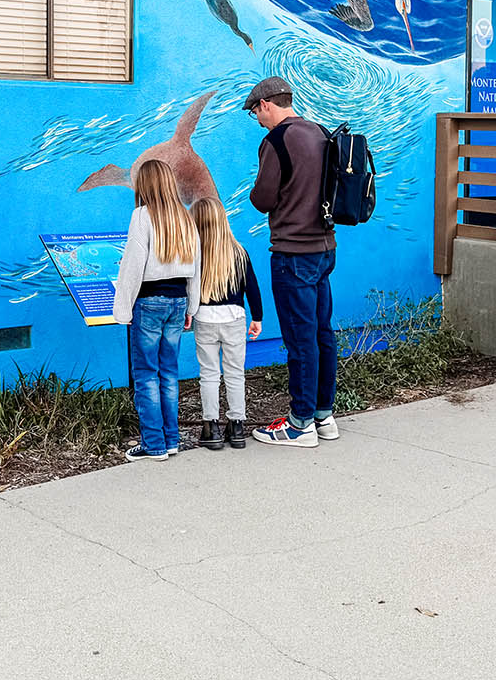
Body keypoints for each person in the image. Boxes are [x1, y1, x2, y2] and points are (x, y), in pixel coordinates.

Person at [244, 76, 339, 448]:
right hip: (324, 249)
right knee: (321, 333)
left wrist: (257, 190)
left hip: (292, 252)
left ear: (267, 104)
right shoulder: (319, 131)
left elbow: (264, 198)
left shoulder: (277, 140)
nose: (257, 120)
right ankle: (323, 414)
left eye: (256, 113)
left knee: (300, 340)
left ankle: (300, 425)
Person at [112, 159, 200, 462]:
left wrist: (122, 310)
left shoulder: (141, 216)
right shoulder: (185, 217)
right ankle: (171, 439)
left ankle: (153, 443)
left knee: (146, 374)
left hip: (149, 302)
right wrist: (193, 304)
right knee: (169, 373)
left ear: (144, 185)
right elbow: (196, 267)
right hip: (178, 302)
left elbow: (132, 266)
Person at [187, 197, 262, 450]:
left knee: (208, 373)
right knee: (235, 373)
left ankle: (212, 427)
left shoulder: (195, 254)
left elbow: (190, 288)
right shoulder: (239, 251)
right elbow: (252, 288)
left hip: (205, 318)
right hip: (235, 318)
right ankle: (238, 425)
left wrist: (188, 312)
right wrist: (258, 317)